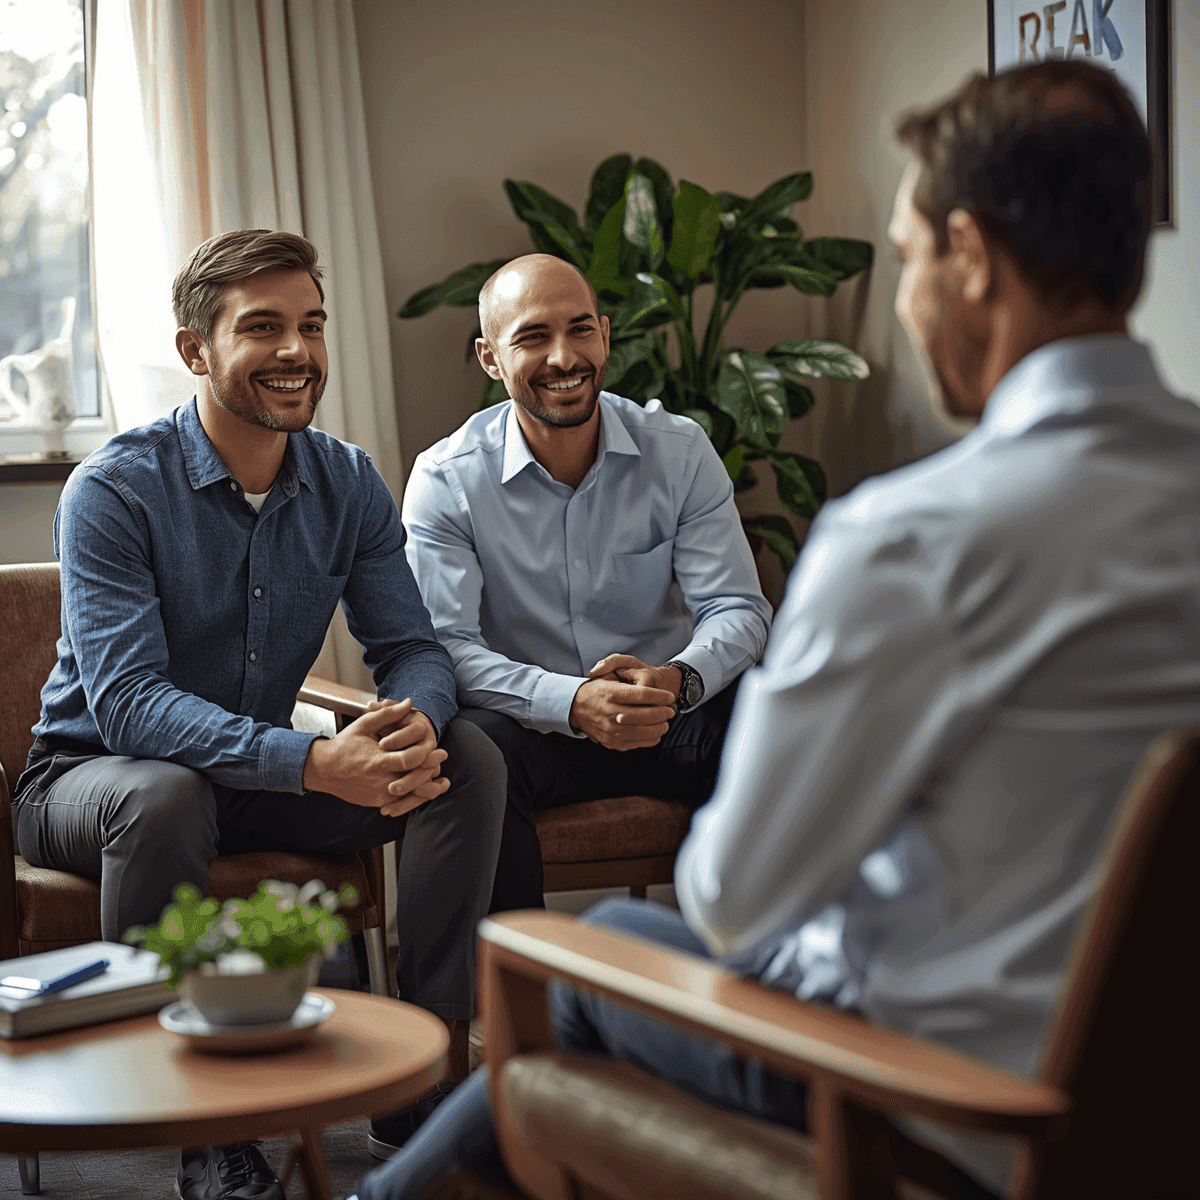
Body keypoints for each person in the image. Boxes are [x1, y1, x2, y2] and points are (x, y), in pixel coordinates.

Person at [349, 60, 1200, 1200]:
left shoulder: (908, 540)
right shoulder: (450, 475)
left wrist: (683, 694)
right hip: (1158, 1102)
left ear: (971, 258)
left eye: (907, 258)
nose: (908, 301)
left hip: (929, 1099)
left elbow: (734, 897)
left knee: (577, 971)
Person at [8, 230, 507, 1200]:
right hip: (90, 783)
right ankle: (206, 1130)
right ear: (196, 350)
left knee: (468, 756)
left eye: (311, 326)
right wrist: (313, 764)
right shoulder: (113, 489)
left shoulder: (346, 481)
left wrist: (412, 721)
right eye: (263, 327)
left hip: (250, 779)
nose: (296, 351)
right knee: (164, 795)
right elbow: (129, 706)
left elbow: (410, 646)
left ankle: (427, 1075)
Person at [400, 252, 773, 913]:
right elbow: (446, 647)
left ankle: (758, 958)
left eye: (580, 330)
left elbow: (737, 607)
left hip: (667, 716)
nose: (564, 357)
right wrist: (572, 701)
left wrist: (679, 679)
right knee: (468, 747)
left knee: (768, 712)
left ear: (605, 334)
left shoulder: (679, 450)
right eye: (533, 337)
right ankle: (521, 973)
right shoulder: (447, 479)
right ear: (490, 358)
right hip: (532, 731)